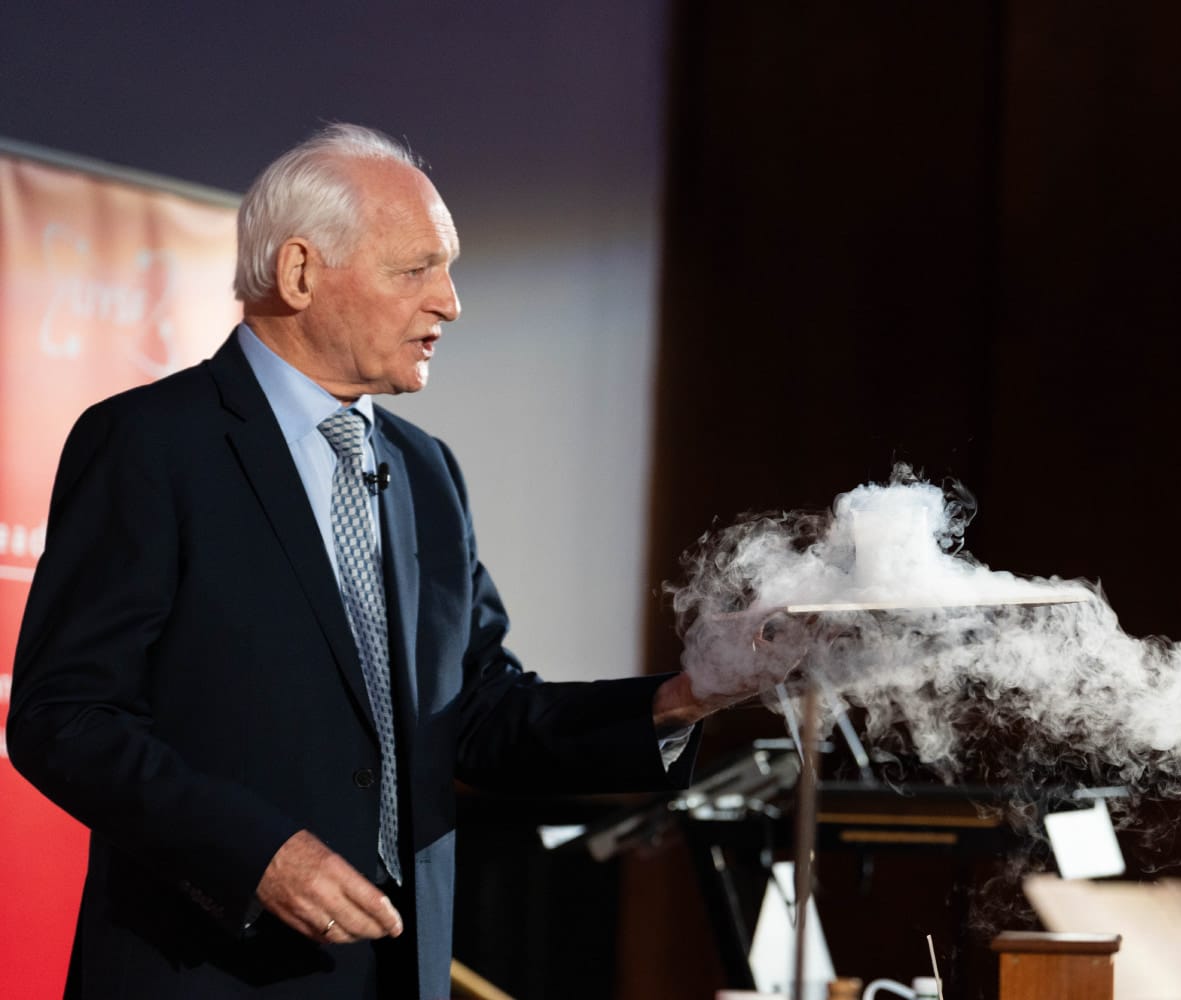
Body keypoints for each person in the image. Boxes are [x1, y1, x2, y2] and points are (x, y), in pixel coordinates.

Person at [7, 124, 762, 999]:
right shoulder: (152, 444)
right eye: (415, 270)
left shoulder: (424, 471)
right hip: (206, 968)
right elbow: (66, 718)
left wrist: (686, 695)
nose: (449, 303)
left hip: (393, 975)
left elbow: (479, 714)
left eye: (448, 270)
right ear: (299, 273)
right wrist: (258, 854)